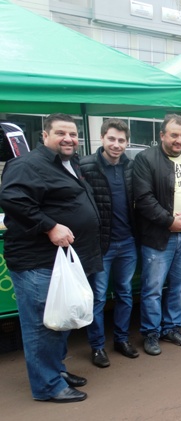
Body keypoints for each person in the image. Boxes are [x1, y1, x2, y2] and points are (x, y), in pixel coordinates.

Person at [0, 113, 102, 403]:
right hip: (37, 262)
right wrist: (50, 226)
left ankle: (55, 370)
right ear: (45, 136)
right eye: (60, 133)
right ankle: (47, 386)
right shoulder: (28, 164)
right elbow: (12, 199)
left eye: (73, 134)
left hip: (63, 261)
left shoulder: (70, 164)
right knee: (42, 326)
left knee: (59, 321)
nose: (68, 138)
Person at [133, 114, 181, 356]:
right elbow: (143, 198)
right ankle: (151, 333)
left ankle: (172, 327)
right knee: (153, 288)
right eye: (174, 135)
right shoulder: (145, 159)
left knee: (180, 286)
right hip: (158, 237)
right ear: (162, 135)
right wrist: (169, 221)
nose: (179, 140)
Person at [79, 118, 138, 368]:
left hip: (128, 243)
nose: (116, 144)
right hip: (100, 246)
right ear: (102, 138)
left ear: (127, 142)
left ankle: (121, 340)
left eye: (121, 140)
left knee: (125, 293)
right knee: (99, 298)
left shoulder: (132, 166)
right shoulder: (85, 165)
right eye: (111, 138)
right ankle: (97, 347)